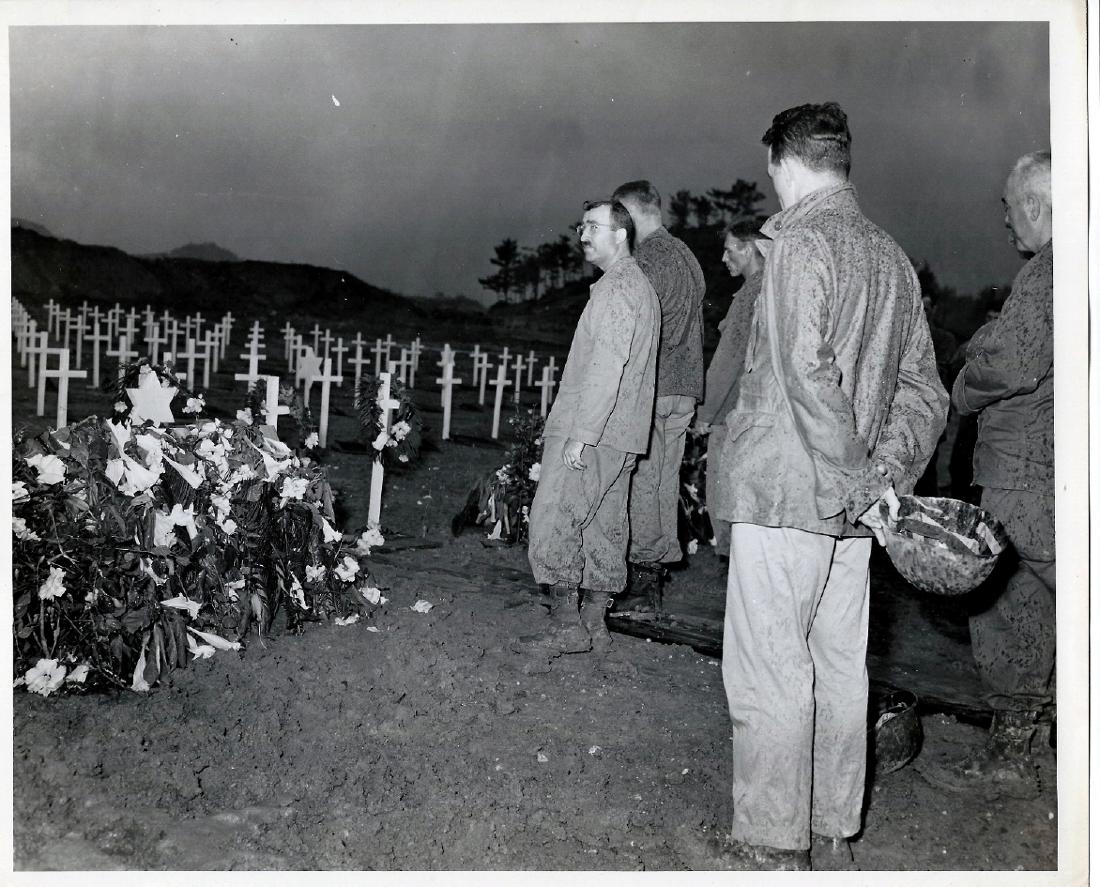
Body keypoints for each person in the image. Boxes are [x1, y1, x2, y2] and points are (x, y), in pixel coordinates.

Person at [711, 103, 948, 871]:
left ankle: (773, 840)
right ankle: (831, 829)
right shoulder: (892, 257)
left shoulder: (798, 243)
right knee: (841, 670)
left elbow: (804, 375)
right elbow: (925, 390)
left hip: (787, 494)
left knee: (771, 665)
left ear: (781, 162)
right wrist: (881, 480)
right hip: (852, 515)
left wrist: (855, 479)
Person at [922, 151, 1054, 799]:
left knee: (1007, 606)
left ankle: (1011, 754)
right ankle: (1030, 746)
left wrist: (964, 382)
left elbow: (1010, 362)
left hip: (1025, 473)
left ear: (1033, 203)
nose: (1005, 219)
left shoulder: (1048, 270)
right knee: (1039, 607)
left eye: (1009, 205)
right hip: (1052, 467)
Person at [518, 199, 660, 656]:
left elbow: (606, 368)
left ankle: (565, 626)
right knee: (603, 527)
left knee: (555, 516)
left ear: (621, 234)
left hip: (594, 431)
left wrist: (582, 435)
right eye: (581, 227)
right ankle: (594, 625)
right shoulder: (635, 286)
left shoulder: (618, 288)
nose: (583, 235)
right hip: (620, 435)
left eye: (594, 227)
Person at [609, 180, 706, 615]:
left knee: (642, 480)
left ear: (632, 213)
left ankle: (643, 580)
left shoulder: (646, 259)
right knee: (664, 479)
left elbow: (633, 328)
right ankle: (656, 572)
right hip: (684, 386)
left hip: (654, 385)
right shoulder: (686, 255)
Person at [695, 221, 765, 556]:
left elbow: (728, 358)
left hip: (733, 414)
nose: (724, 258)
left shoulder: (750, 293)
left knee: (724, 499)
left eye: (729, 249)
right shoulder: (773, 288)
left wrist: (705, 412)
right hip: (758, 414)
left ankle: (732, 565)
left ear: (749, 249)